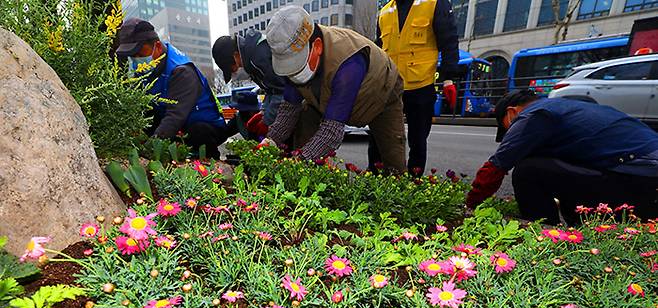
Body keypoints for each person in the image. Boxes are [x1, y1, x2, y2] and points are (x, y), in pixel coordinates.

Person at [466, 90, 658, 225]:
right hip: (642, 177)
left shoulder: (533, 115)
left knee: (528, 170)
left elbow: (496, 167)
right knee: (556, 168)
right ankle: (580, 226)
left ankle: (543, 231)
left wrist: (471, 205)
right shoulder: (567, 107)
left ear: (511, 113)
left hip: (638, 178)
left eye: (507, 128)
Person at [261, 6, 406, 173]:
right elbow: (288, 110)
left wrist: (298, 162)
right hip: (327, 98)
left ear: (317, 47)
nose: (294, 72)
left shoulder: (348, 63)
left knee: (393, 160)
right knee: (304, 126)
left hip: (381, 92)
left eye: (298, 64)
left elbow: (332, 131)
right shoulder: (293, 60)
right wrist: (270, 141)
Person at [116, 18, 227, 158]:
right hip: (173, 121)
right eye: (132, 56)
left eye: (139, 54)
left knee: (198, 132)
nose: (136, 60)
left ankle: (208, 159)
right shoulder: (145, 68)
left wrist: (150, 150)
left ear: (157, 46)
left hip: (204, 127)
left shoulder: (181, 71)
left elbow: (174, 117)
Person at [377, 0, 460, 175]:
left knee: (418, 139)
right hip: (389, 85)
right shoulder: (384, 12)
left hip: (420, 84)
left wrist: (449, 78)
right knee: (380, 135)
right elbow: (378, 48)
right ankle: (376, 177)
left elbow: (449, 41)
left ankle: (414, 181)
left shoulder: (434, 3)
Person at [212, 30, 285, 138]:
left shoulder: (257, 59)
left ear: (235, 55)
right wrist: (263, 113)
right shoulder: (251, 55)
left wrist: (266, 121)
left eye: (233, 68)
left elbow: (280, 91)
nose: (236, 70)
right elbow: (270, 90)